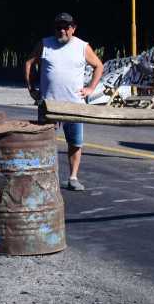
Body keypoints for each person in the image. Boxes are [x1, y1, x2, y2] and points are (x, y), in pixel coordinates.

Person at [25, 12, 104, 191]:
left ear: (73, 28)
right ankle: (47, 177)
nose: (62, 30)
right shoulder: (45, 44)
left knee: (75, 143)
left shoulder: (82, 46)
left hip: (74, 105)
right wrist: (31, 89)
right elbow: (29, 63)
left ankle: (73, 177)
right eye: (58, 27)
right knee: (45, 142)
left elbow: (99, 65)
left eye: (66, 27)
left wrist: (90, 88)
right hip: (49, 105)